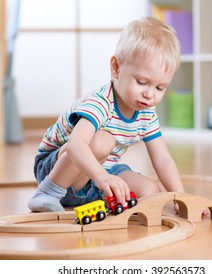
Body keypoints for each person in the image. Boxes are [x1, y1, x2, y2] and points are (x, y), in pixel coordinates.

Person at [28, 16, 186, 213]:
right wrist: (101, 176)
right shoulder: (100, 102)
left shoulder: (146, 112)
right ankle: (47, 194)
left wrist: (181, 198)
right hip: (56, 171)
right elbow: (77, 145)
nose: (149, 94)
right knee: (103, 141)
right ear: (116, 68)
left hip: (96, 175)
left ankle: (100, 199)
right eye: (142, 82)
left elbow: (162, 158)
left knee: (150, 191)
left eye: (160, 87)